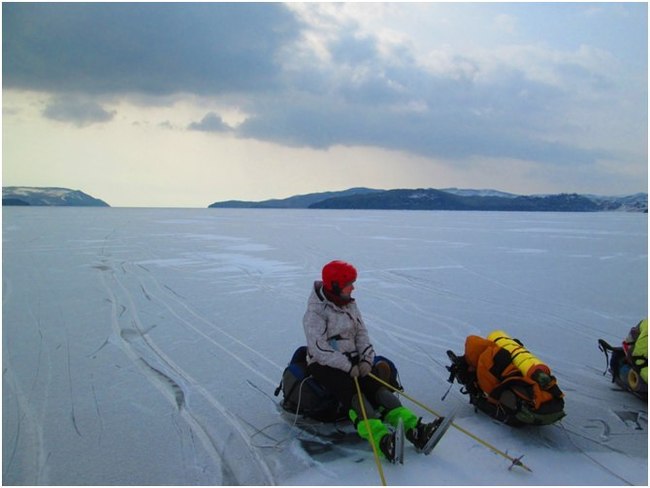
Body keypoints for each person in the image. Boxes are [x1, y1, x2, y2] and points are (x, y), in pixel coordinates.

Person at [302, 260, 441, 462]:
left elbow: (361, 333)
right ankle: (382, 439)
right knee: (354, 395)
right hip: (325, 364)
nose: (353, 287)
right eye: (348, 284)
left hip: (355, 361)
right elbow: (319, 348)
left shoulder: (349, 304)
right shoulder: (315, 313)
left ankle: (415, 429)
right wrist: (348, 367)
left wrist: (366, 359)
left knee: (377, 388)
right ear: (334, 286)